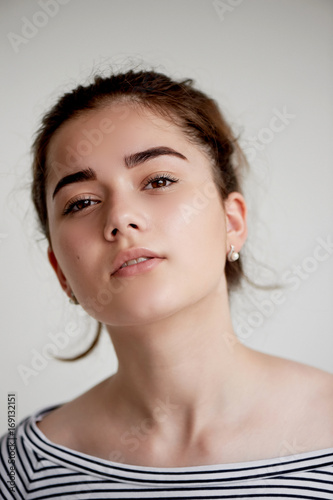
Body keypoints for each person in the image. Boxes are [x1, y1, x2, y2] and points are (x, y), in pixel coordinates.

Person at [1, 69, 332, 499]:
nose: (120, 218)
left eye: (158, 181)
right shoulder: (19, 471)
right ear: (60, 270)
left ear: (232, 222)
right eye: (81, 202)